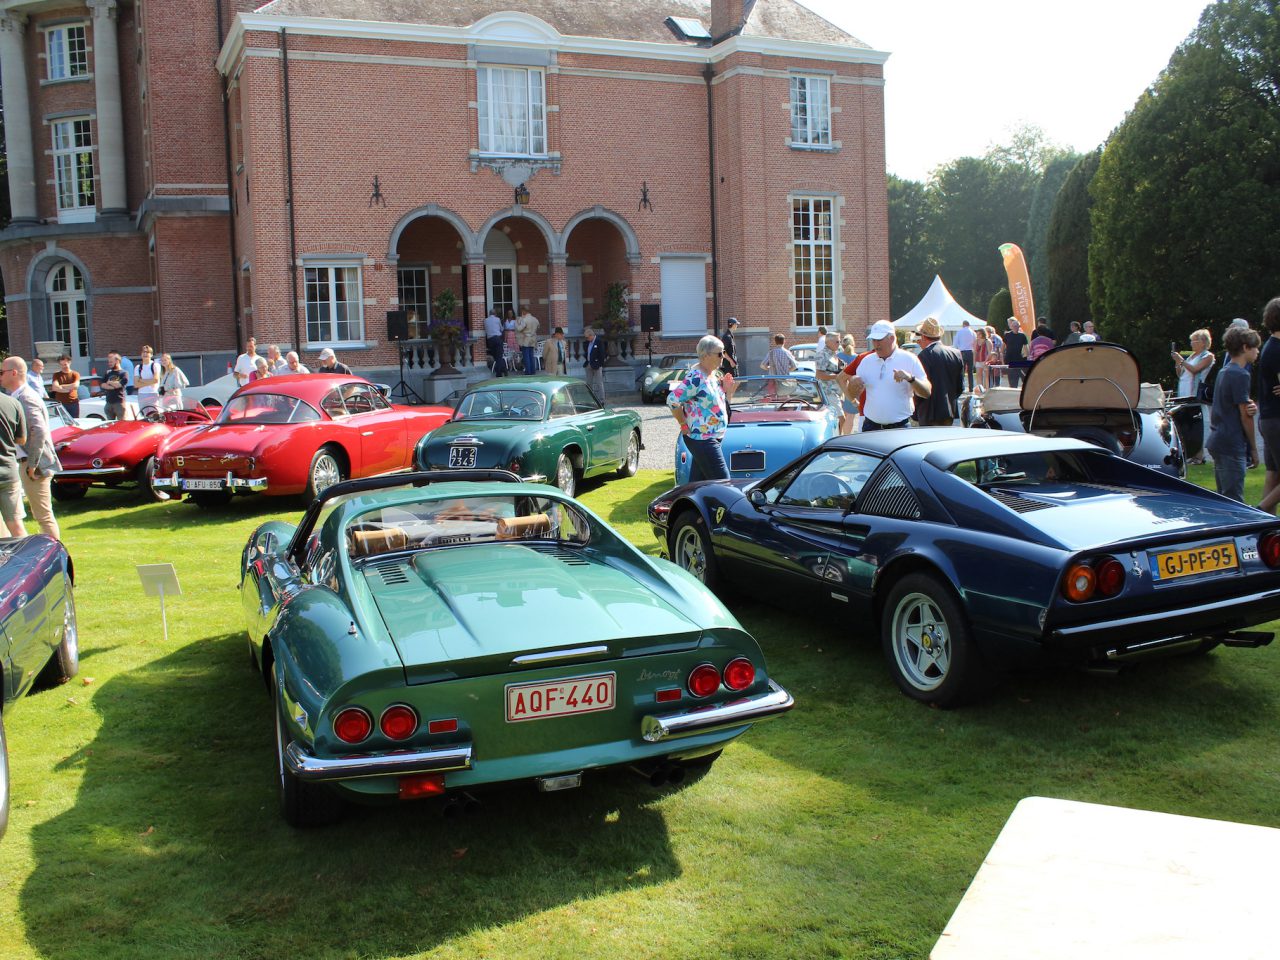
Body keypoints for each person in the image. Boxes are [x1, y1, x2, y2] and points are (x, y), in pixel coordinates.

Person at [2, 357, 61, 540]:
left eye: (1, 372)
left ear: (14, 373)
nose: (0, 376)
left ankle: (56, 559)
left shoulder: (26, 397)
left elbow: (40, 431)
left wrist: (33, 464)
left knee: (43, 515)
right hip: (24, 463)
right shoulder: (16, 396)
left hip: (34, 465)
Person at [667, 335, 738, 482]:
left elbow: (717, 406)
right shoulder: (696, 377)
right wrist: (683, 424)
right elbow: (673, 400)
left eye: (724, 353)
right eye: (719, 354)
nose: (723, 357)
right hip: (702, 439)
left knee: (699, 485)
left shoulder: (713, 375)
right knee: (723, 483)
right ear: (705, 356)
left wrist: (727, 391)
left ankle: (689, 505)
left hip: (713, 437)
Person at [838, 320, 930, 431]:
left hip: (900, 427)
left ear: (892, 338)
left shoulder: (909, 359)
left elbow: (926, 392)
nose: (876, 344)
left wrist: (910, 378)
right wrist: (852, 386)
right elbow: (852, 391)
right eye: (874, 340)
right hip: (870, 426)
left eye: (879, 339)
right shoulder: (866, 361)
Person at [1205, 325, 1261, 503]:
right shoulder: (1241, 374)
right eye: (1255, 347)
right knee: (1234, 502)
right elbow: (1245, 416)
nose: (1257, 351)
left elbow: (1235, 404)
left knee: (1223, 500)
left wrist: (1249, 405)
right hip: (1231, 443)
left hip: (1219, 440)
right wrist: (1253, 448)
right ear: (1245, 347)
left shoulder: (1224, 371)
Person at [913, 317, 963, 426]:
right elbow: (960, 387)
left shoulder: (924, 355)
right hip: (950, 411)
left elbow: (920, 389)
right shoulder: (956, 353)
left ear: (923, 336)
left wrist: (916, 410)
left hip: (929, 412)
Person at [1256, 301, 1280, 512]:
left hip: (1270, 418)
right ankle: (1260, 510)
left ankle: (1265, 525)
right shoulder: (1276, 349)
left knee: (1273, 474)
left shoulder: (1270, 346)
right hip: (1276, 419)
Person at [0, 384, 26, 538]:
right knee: (16, 525)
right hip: (9, 471)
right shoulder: (13, 403)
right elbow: (21, 439)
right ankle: (28, 561)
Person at [814, 332, 845, 411]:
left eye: (840, 341)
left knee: (836, 420)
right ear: (828, 342)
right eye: (837, 342)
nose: (839, 344)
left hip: (837, 392)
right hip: (828, 392)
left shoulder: (835, 354)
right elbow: (819, 374)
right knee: (841, 418)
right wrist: (837, 376)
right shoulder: (822, 354)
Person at [836, 334, 858, 434]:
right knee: (850, 416)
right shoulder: (857, 357)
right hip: (852, 388)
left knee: (840, 415)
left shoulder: (838, 356)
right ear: (853, 344)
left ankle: (838, 436)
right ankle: (847, 437)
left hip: (839, 388)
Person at [101, 352, 129, 420]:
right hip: (109, 403)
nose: (109, 364)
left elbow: (119, 385)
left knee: (122, 424)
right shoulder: (108, 373)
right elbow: (102, 385)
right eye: (108, 362)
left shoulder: (124, 373)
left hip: (119, 403)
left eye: (111, 362)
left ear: (117, 361)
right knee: (110, 425)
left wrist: (109, 382)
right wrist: (112, 386)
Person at [135, 344, 163, 411]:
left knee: (154, 414)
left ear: (151, 354)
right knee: (144, 415)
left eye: (147, 352)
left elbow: (155, 380)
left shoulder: (155, 365)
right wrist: (150, 382)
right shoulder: (138, 367)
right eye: (143, 352)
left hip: (153, 393)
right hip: (141, 394)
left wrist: (141, 380)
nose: (145, 354)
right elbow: (136, 384)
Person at [1004, 318, 1028, 387]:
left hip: (1019, 358)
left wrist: (1027, 356)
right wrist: (1002, 356)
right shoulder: (1007, 335)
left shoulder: (1022, 336)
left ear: (1018, 327)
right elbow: (1003, 346)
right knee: (1011, 377)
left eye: (1016, 326)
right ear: (1011, 327)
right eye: (1013, 326)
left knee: (1022, 375)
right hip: (1009, 359)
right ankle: (1012, 388)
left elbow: (1026, 347)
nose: (1015, 327)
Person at [583, 326, 606, 401]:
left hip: (597, 365)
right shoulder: (587, 342)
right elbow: (586, 352)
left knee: (599, 383)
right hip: (588, 364)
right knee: (589, 383)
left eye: (587, 337)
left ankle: (601, 400)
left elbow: (602, 354)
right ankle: (590, 399)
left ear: (591, 335)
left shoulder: (599, 341)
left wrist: (600, 364)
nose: (587, 339)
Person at [953, 320, 976, 392]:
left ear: (963, 325)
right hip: (970, 352)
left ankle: (962, 387)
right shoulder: (972, 332)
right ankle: (971, 388)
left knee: (961, 371)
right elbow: (974, 342)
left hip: (962, 352)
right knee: (970, 371)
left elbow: (955, 344)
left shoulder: (959, 332)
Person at [516, 306, 539, 375]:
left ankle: (528, 371)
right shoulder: (535, 319)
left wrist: (517, 323)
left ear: (523, 311)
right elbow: (538, 326)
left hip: (526, 339)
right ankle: (533, 371)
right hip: (533, 338)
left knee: (526, 356)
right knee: (531, 355)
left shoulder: (525, 319)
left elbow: (519, 329)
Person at [483, 306, 506, 377]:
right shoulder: (497, 319)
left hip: (490, 340)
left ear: (489, 314)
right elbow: (502, 329)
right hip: (497, 338)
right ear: (495, 313)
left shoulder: (485, 320)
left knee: (495, 356)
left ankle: (504, 370)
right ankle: (499, 373)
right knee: (499, 356)